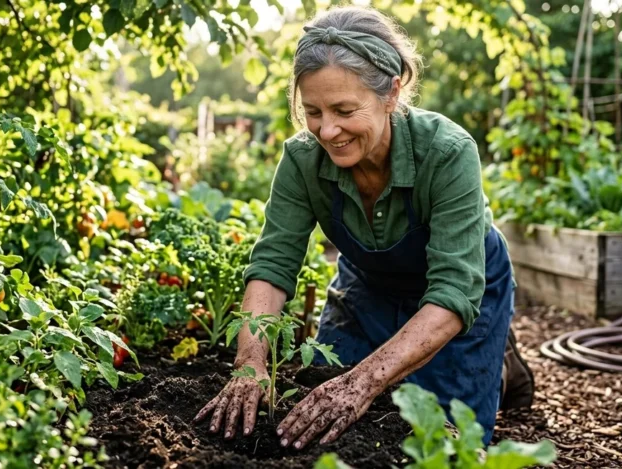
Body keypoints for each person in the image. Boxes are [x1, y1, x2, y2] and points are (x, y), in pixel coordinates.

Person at [194, 5, 534, 449]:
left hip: (457, 295)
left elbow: (453, 291)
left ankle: (496, 363)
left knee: (443, 444)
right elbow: (273, 266)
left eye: (344, 110)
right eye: (313, 111)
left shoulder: (448, 152)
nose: (328, 130)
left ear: (391, 93)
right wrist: (250, 363)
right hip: (368, 288)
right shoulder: (302, 160)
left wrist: (362, 383)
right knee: (325, 418)